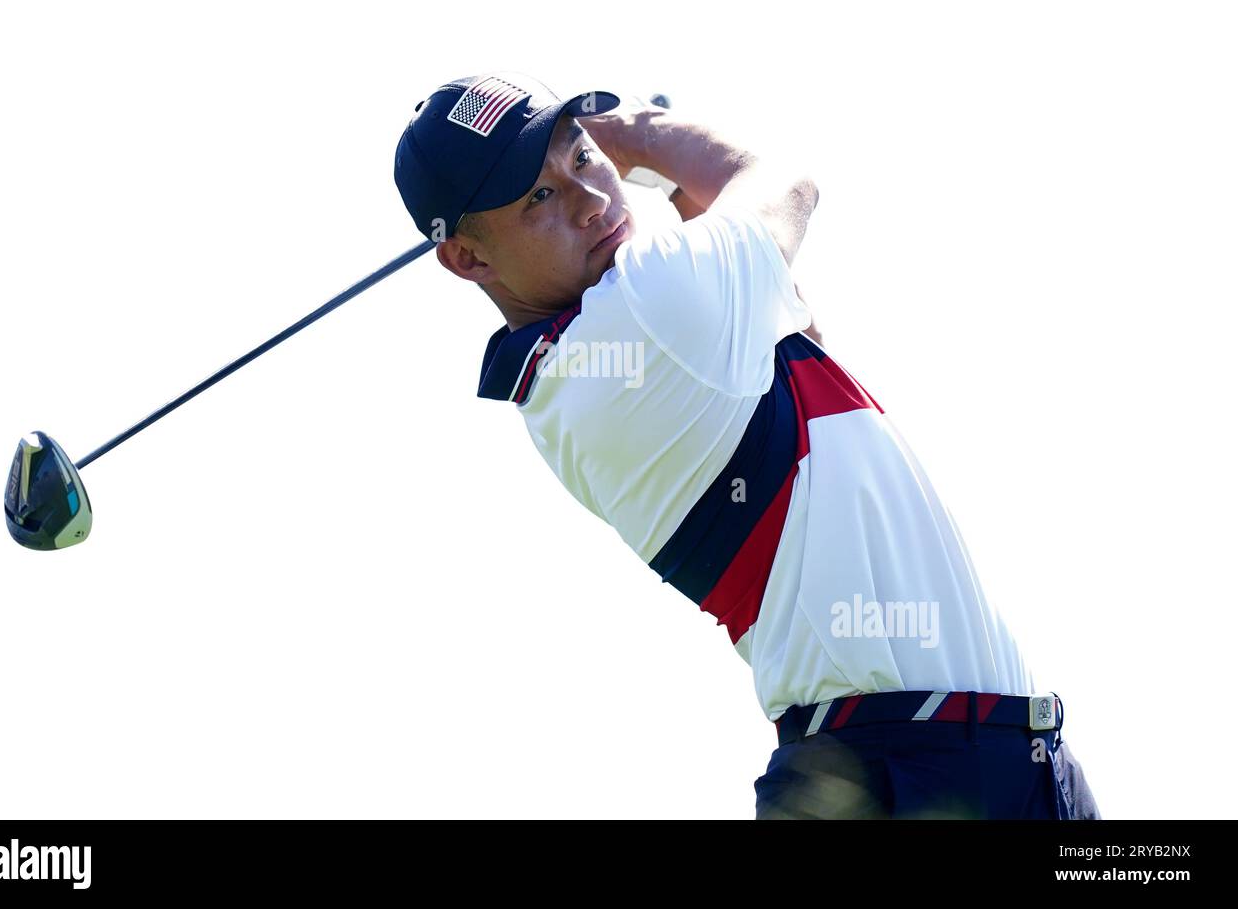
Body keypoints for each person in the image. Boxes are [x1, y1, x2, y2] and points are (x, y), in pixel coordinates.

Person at [393, 71, 1101, 819]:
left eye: (580, 158)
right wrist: (638, 136)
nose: (591, 199)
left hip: (992, 754)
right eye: (538, 196)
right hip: (901, 771)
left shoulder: (610, 349)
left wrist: (648, 174)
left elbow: (774, 302)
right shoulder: (649, 308)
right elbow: (780, 184)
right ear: (469, 258)